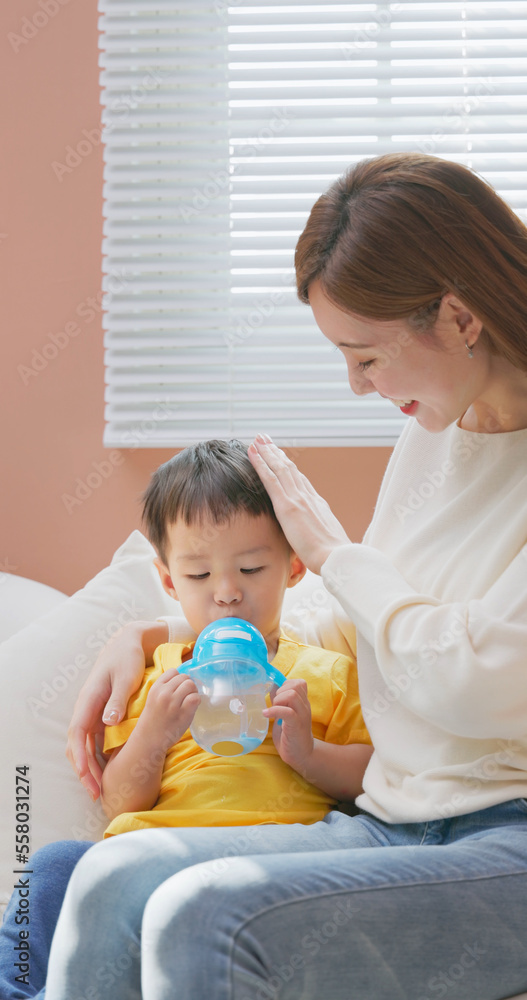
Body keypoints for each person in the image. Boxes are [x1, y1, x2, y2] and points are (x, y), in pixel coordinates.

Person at [44, 152, 527, 998]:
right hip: (398, 822)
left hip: (506, 839)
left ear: (457, 317)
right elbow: (355, 626)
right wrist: (166, 631)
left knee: (204, 913)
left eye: (365, 357)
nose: (354, 386)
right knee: (108, 877)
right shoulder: (435, 435)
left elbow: (473, 683)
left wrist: (337, 553)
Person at [0, 439, 370, 1000]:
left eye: (251, 567)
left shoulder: (324, 674)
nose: (226, 592)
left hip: (276, 858)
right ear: (169, 583)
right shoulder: (156, 673)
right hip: (150, 854)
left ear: (294, 567)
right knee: (54, 866)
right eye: (198, 575)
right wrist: (153, 731)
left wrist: (310, 755)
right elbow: (119, 801)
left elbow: (373, 776)